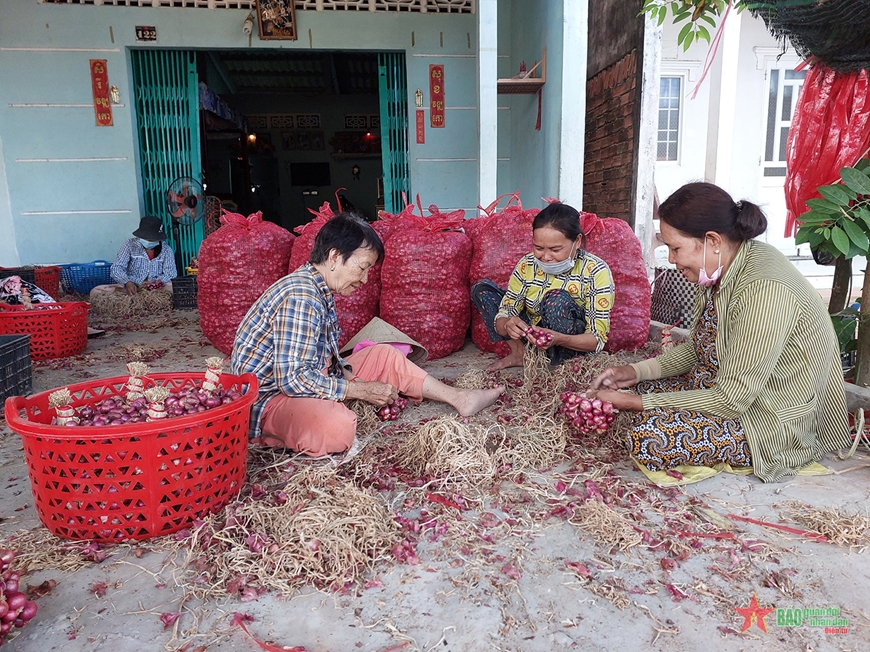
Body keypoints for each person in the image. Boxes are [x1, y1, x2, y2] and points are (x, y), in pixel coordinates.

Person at [588, 182, 851, 483]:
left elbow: (730, 399)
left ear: (712, 240)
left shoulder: (763, 289)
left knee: (650, 436)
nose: (671, 260)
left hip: (769, 418)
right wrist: (633, 372)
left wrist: (637, 403)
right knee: (628, 394)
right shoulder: (721, 270)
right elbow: (698, 349)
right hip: (728, 389)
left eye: (675, 248)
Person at [231, 212, 505, 458]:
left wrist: (350, 380)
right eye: (362, 268)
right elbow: (293, 380)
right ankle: (280, 433)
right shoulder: (301, 296)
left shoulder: (316, 289)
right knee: (337, 427)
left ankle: (458, 397)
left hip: (299, 386)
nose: (364, 279)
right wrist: (358, 390)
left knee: (383, 354)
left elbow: (319, 359)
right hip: (267, 403)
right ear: (335, 257)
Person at [471, 202, 615, 371]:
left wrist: (560, 339)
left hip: (570, 339)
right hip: (533, 335)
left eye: (555, 249)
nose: (545, 257)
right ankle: (521, 354)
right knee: (482, 290)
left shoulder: (595, 271)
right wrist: (507, 325)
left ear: (577, 241)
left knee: (556, 300)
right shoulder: (527, 264)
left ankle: (561, 363)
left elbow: (597, 339)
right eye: (538, 248)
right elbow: (506, 310)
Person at [89, 215, 177, 298]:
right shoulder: (129, 245)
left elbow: (171, 274)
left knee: (174, 288)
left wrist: (155, 283)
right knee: (96, 291)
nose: (150, 241)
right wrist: (127, 282)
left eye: (153, 239)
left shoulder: (166, 249)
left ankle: (145, 298)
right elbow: (116, 268)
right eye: (148, 239)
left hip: (156, 289)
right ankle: (135, 296)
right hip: (130, 287)